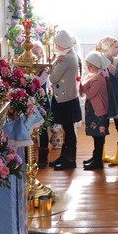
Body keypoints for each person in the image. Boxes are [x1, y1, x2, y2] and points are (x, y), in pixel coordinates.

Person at [49, 29, 82, 170]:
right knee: (68, 128)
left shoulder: (66, 59)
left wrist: (52, 65)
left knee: (68, 129)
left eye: (57, 44)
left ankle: (70, 160)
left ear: (62, 44)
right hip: (69, 97)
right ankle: (65, 156)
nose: (56, 47)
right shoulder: (72, 55)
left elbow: (53, 78)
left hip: (64, 99)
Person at [96, 37, 118, 165]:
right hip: (103, 94)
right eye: (115, 47)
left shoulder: (116, 60)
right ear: (107, 47)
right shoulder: (99, 59)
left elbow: (115, 73)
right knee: (103, 123)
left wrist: (111, 63)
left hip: (114, 93)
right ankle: (101, 153)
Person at [81, 51, 110, 170]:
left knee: (98, 136)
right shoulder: (94, 77)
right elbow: (82, 89)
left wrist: (89, 82)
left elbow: (88, 93)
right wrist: (89, 81)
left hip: (98, 112)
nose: (88, 68)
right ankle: (95, 157)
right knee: (96, 136)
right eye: (87, 65)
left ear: (97, 65)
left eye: (90, 66)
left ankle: (97, 160)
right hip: (93, 111)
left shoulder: (99, 79)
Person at [31, 41, 51, 168]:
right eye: (34, 53)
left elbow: (38, 81)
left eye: (39, 53)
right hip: (31, 101)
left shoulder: (45, 68)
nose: (37, 56)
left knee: (43, 129)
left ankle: (43, 156)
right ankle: (29, 155)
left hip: (42, 101)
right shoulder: (29, 67)